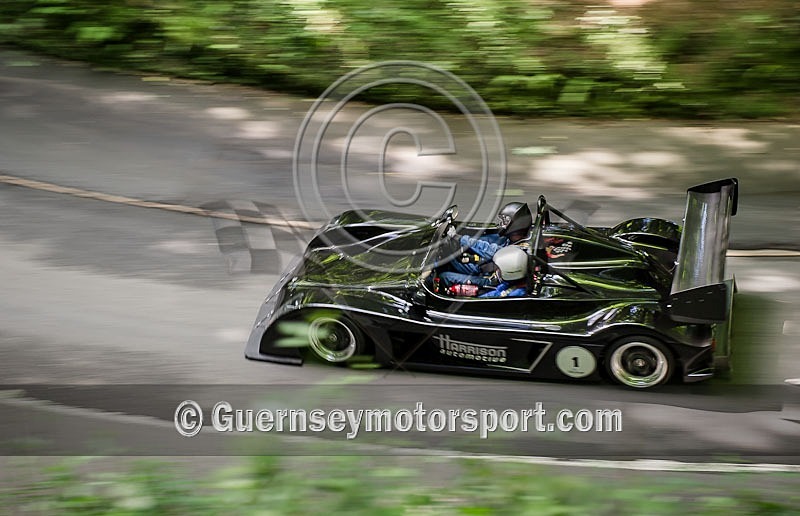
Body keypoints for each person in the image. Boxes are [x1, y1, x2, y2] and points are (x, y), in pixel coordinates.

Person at [439, 202, 532, 288]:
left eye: (505, 221)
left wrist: (459, 238)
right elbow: (485, 241)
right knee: (449, 256)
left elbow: (489, 250)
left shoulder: (518, 249)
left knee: (445, 277)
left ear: (516, 224)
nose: (501, 224)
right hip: (486, 268)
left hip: (493, 280)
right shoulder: (511, 239)